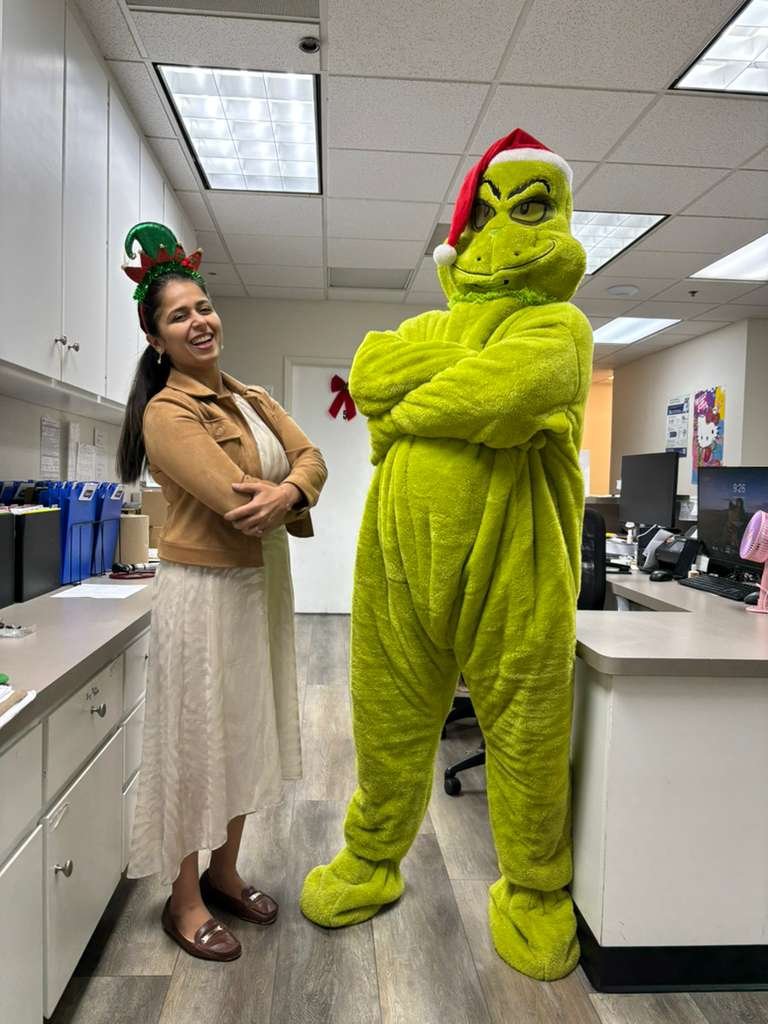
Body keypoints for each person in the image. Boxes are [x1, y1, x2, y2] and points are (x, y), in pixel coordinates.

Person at [300, 129, 593, 982]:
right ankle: (371, 858)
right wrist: (449, 385)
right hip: (397, 561)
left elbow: (508, 392)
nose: (500, 235)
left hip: (517, 564)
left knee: (528, 729)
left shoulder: (561, 326)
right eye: (486, 215)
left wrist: (408, 408)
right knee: (385, 719)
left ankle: (533, 889)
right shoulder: (426, 322)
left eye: (528, 209)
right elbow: (370, 369)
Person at [117, 222, 327, 962]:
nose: (199, 321)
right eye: (179, 316)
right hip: (203, 592)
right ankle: (183, 898)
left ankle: (225, 872)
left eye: (203, 307)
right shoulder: (167, 412)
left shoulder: (252, 396)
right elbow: (234, 496)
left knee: (244, 734)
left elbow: (312, 457)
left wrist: (291, 490)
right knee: (194, 743)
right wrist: (287, 489)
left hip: (260, 585)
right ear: (158, 340)